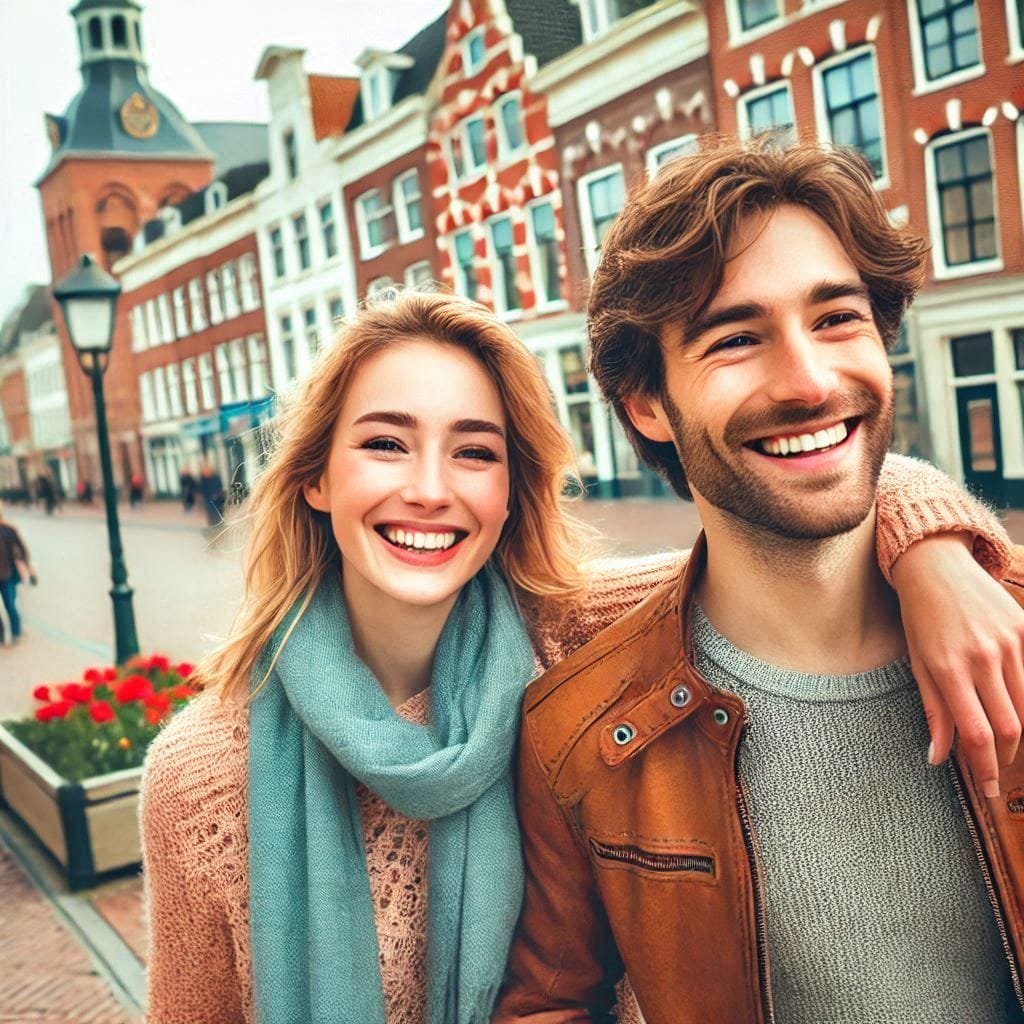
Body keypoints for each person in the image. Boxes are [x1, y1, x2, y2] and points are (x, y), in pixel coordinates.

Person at [142, 291, 1015, 1024]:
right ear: (315, 477)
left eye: (475, 452)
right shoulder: (201, 779)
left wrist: (929, 546)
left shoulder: (575, 636)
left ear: (510, 488)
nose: (431, 487)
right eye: (384, 443)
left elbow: (798, 513)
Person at [494, 141, 1024, 1024]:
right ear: (647, 403)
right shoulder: (579, 735)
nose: (811, 382)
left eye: (837, 319)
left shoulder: (1005, 622)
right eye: (736, 338)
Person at [0, 503, 34, 645]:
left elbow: (22, 549)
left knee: (10, 605)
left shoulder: (8, 530)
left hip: (7, 575)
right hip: (6, 574)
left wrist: (27, 566)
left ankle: (16, 633)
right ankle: (1, 636)